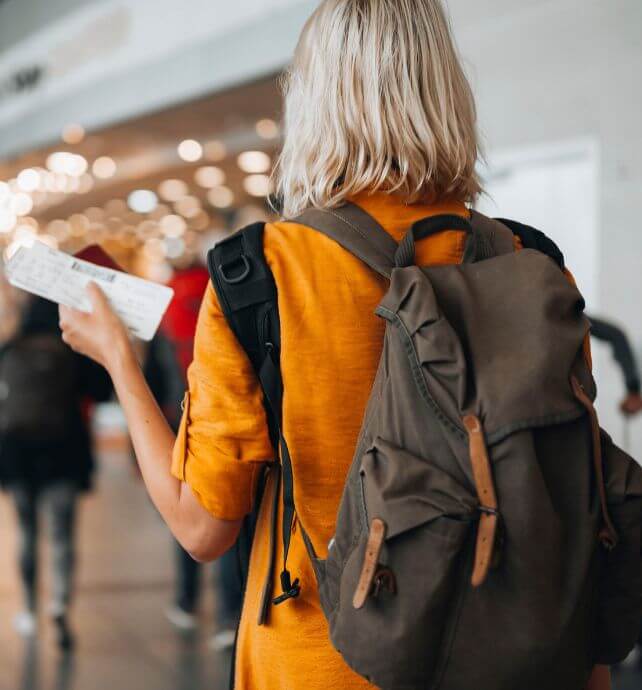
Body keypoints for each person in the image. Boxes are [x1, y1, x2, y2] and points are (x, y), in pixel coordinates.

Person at [58, 1, 613, 688]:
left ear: (314, 100)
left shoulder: (258, 272)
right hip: (521, 658)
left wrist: (117, 357)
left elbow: (202, 530)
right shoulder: (533, 264)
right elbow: (577, 495)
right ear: (445, 91)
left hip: (322, 664)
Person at [0, 290, 111, 651]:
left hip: (17, 455)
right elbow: (103, 392)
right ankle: (59, 604)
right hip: (65, 452)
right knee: (62, 535)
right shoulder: (72, 352)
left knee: (27, 531)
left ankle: (29, 610)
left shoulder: (10, 347)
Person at [144, 262, 242, 644]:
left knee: (185, 514)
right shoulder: (224, 291)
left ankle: (186, 601)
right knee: (228, 515)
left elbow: (152, 373)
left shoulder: (164, 304)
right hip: (222, 419)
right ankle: (228, 614)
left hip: (174, 423)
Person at [588, 315, 642, 417]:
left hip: (620, 344)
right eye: (634, 409)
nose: (637, 407)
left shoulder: (632, 383)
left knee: (617, 335)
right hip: (621, 343)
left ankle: (580, 319)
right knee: (617, 335)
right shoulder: (633, 383)